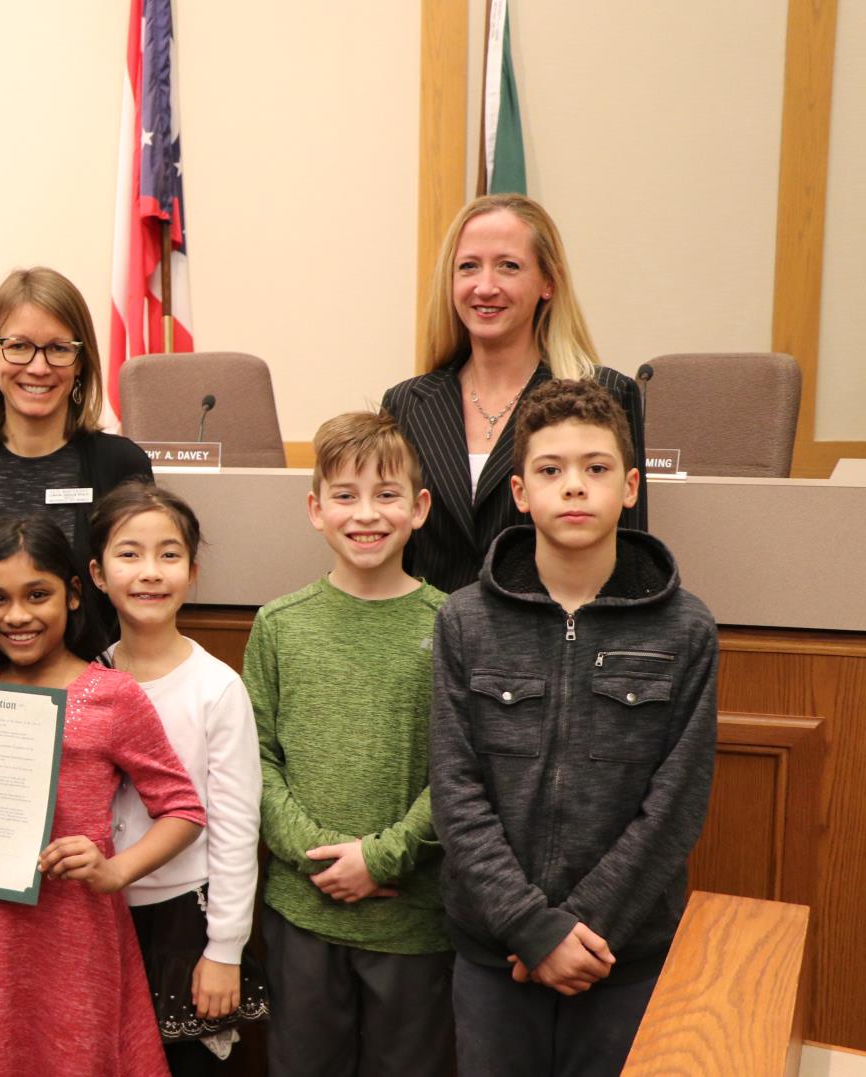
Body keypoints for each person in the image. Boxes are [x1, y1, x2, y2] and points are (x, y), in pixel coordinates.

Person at [431, 380, 717, 1076]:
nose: (575, 487)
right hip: (497, 952)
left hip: (619, 953)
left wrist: (578, 929)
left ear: (630, 486)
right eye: (551, 470)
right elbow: (456, 789)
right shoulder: (465, 620)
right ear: (522, 492)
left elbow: (676, 802)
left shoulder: (686, 628)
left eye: (596, 468)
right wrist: (532, 928)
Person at [0, 514, 205, 1077]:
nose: (17, 616)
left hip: (78, 930)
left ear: (75, 594)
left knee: (77, 1053)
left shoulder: (111, 695)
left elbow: (182, 809)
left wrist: (114, 871)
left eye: (38, 595)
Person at [244, 410, 454, 1076]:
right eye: (345, 494)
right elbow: (258, 760)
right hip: (302, 916)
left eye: (387, 493)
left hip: (414, 923)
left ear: (419, 508)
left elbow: (464, 769)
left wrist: (381, 858)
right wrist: (321, 860)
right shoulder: (279, 625)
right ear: (315, 508)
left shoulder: (454, 624)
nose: (367, 513)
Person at [382, 193, 648, 593]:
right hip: (429, 646)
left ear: (547, 282)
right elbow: (395, 560)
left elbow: (630, 558)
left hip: (551, 642)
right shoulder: (405, 404)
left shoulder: (604, 394)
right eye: (468, 267)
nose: (485, 286)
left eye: (508, 266)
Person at [89, 482, 261, 1074]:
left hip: (185, 920)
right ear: (97, 573)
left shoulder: (218, 687)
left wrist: (225, 948)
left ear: (192, 571)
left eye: (169, 555)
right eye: (129, 553)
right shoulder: (87, 677)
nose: (149, 572)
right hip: (95, 919)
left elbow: (237, 830)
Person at [0, 267, 152, 676]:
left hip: (101, 700)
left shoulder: (122, 465)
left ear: (81, 362)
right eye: (19, 346)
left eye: (59, 348)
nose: (39, 367)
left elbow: (135, 603)